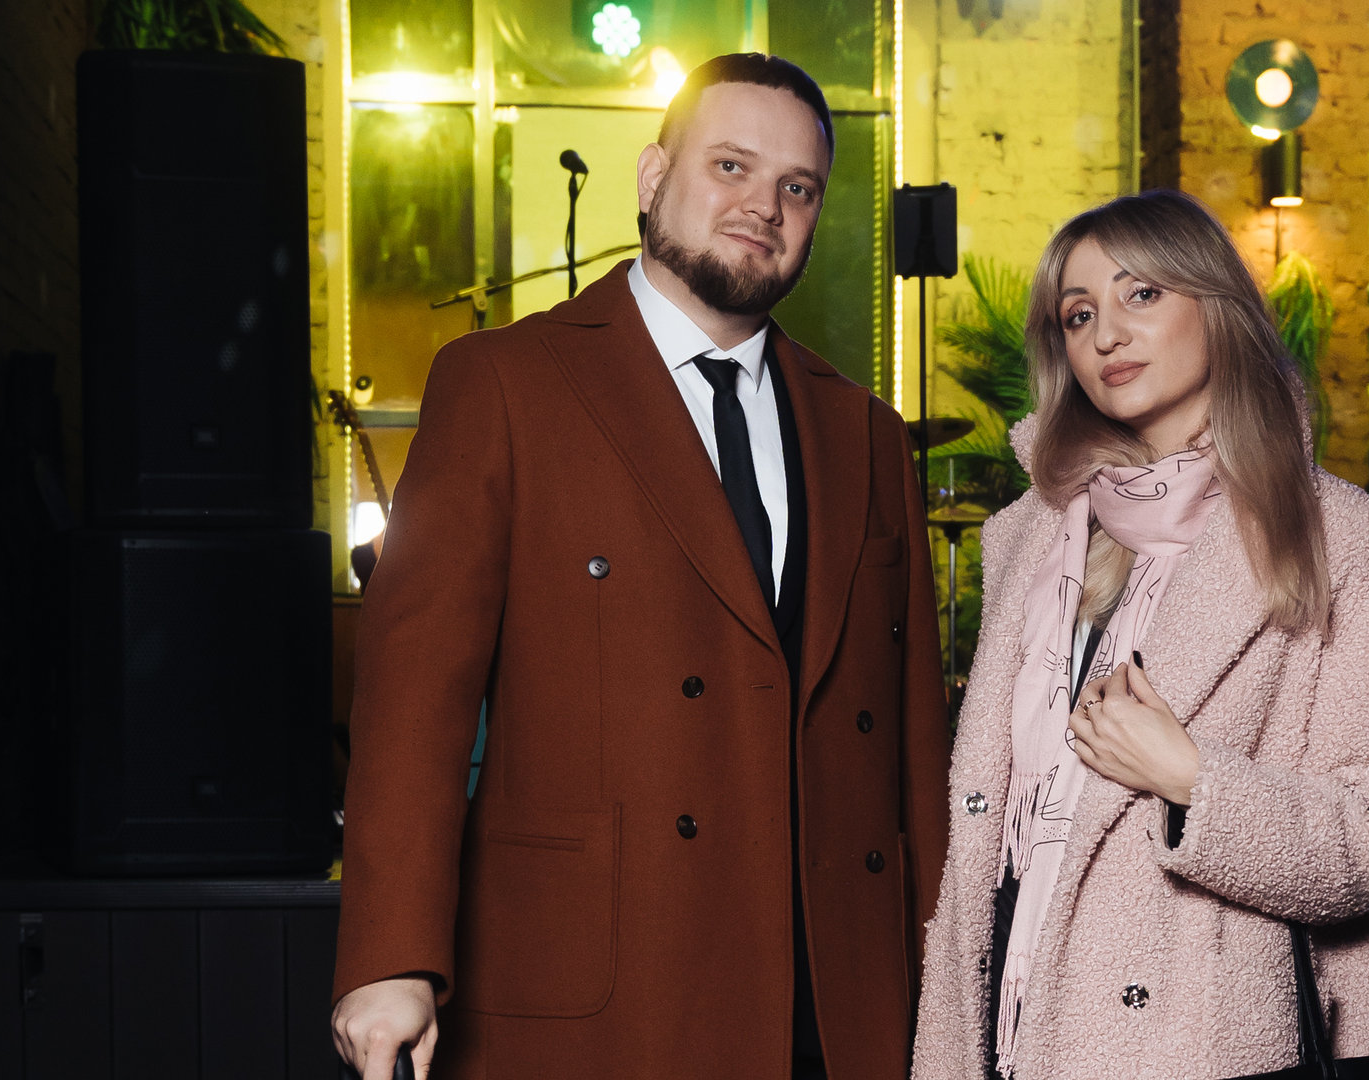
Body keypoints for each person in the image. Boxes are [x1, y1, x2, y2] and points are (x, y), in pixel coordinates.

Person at [330, 53, 950, 1080]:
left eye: (798, 188)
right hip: (604, 986)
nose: (764, 207)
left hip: (837, 1004)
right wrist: (390, 958)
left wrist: (950, 988)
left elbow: (914, 747)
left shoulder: (868, 434)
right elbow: (412, 702)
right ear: (654, 177)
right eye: (731, 167)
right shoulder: (504, 385)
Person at [910, 191, 1369, 1080]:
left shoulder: (1339, 538)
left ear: (1216, 305)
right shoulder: (1032, 540)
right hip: (1010, 1026)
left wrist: (1192, 780)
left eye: (1142, 294)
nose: (1107, 335)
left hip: (1197, 1043)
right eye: (1079, 315)